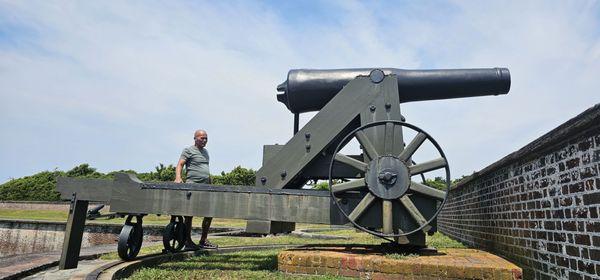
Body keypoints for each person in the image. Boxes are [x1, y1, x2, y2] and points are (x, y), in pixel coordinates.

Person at [175, 129, 217, 249]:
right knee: (189, 215)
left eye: (206, 138)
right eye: (202, 138)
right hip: (192, 185)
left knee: (209, 213)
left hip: (205, 187)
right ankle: (187, 241)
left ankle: (203, 240)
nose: (204, 140)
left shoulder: (206, 152)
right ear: (195, 138)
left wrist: (210, 183)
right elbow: (180, 164)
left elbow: (205, 169)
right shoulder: (188, 150)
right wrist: (178, 177)